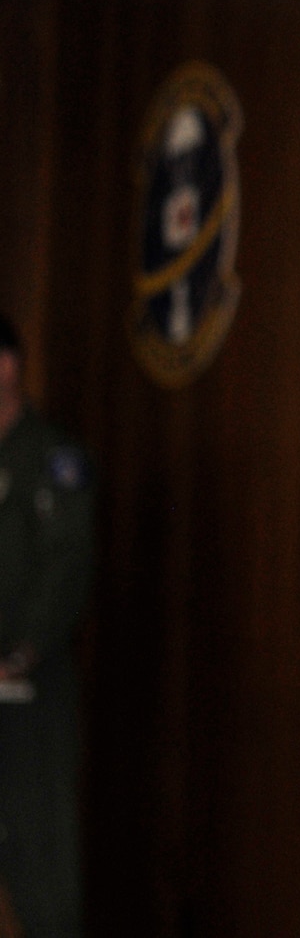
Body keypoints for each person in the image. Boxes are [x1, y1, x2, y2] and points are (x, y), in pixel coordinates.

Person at [0, 313, 92, 938]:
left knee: (42, 868)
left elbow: (66, 568)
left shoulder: (51, 458)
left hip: (27, 695)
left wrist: (19, 653)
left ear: (8, 367)